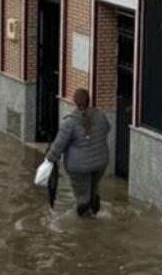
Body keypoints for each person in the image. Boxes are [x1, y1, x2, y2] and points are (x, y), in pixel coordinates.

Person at [45, 87, 112, 218]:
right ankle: (96, 210)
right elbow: (107, 129)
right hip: (100, 163)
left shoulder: (70, 122)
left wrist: (49, 159)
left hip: (79, 168)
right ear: (89, 100)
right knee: (93, 187)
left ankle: (86, 228)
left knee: (82, 196)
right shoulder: (100, 116)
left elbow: (59, 144)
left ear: (75, 102)